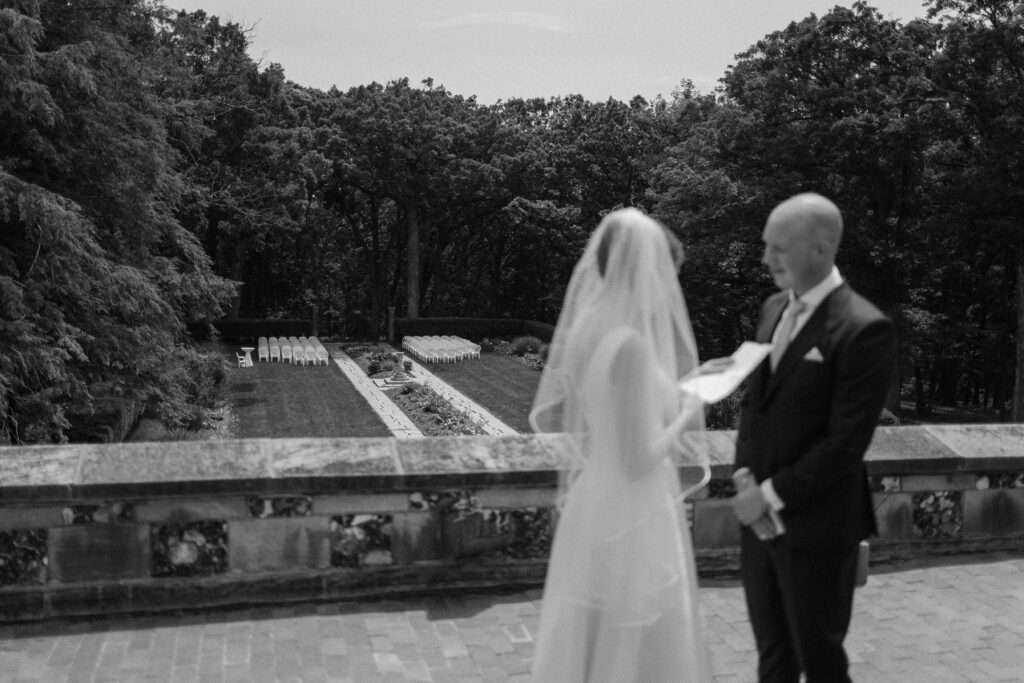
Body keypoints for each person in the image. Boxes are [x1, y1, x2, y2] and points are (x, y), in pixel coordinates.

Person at [530, 207, 712, 682]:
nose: (668, 292)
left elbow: (611, 417)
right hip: (634, 506)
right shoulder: (631, 344)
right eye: (666, 277)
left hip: (596, 499)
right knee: (639, 644)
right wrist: (689, 413)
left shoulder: (589, 326)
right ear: (645, 271)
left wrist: (677, 393)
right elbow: (639, 458)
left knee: (592, 635)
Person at [731, 193, 896, 682]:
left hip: (818, 528)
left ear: (823, 249)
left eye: (779, 248)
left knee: (820, 662)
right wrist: (745, 481)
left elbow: (845, 445)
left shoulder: (865, 328)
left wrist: (768, 495)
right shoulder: (772, 308)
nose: (766, 259)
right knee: (773, 659)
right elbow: (760, 407)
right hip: (757, 523)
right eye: (766, 246)